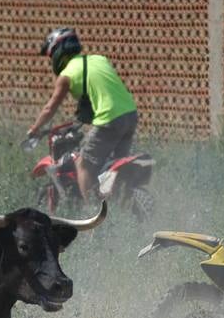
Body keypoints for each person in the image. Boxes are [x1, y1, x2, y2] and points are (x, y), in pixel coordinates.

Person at [26, 28, 139, 201]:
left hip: (109, 119)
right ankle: (114, 204)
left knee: (83, 164)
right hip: (130, 116)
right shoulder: (99, 59)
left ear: (58, 52)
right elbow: (100, 91)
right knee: (111, 165)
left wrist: (35, 129)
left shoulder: (67, 75)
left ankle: (91, 213)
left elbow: (50, 108)